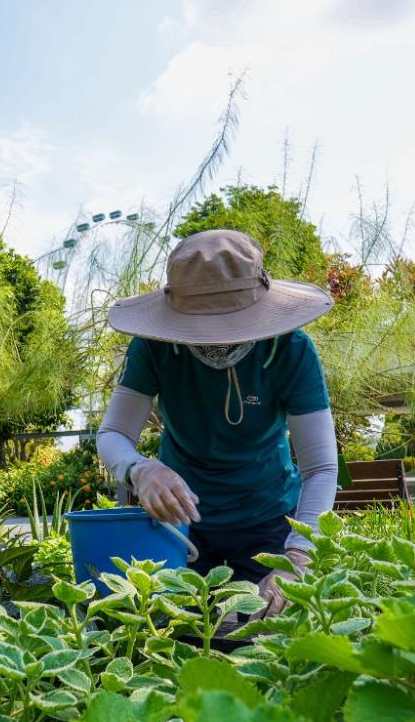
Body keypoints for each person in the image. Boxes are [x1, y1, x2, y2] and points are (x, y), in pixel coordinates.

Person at [96, 229, 338, 614]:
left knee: (266, 630)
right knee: (180, 634)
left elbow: (321, 467)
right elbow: (113, 433)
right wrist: (141, 470)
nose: (215, 337)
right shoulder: (154, 348)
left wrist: (298, 556)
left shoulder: (291, 351)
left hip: (269, 518)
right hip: (181, 523)